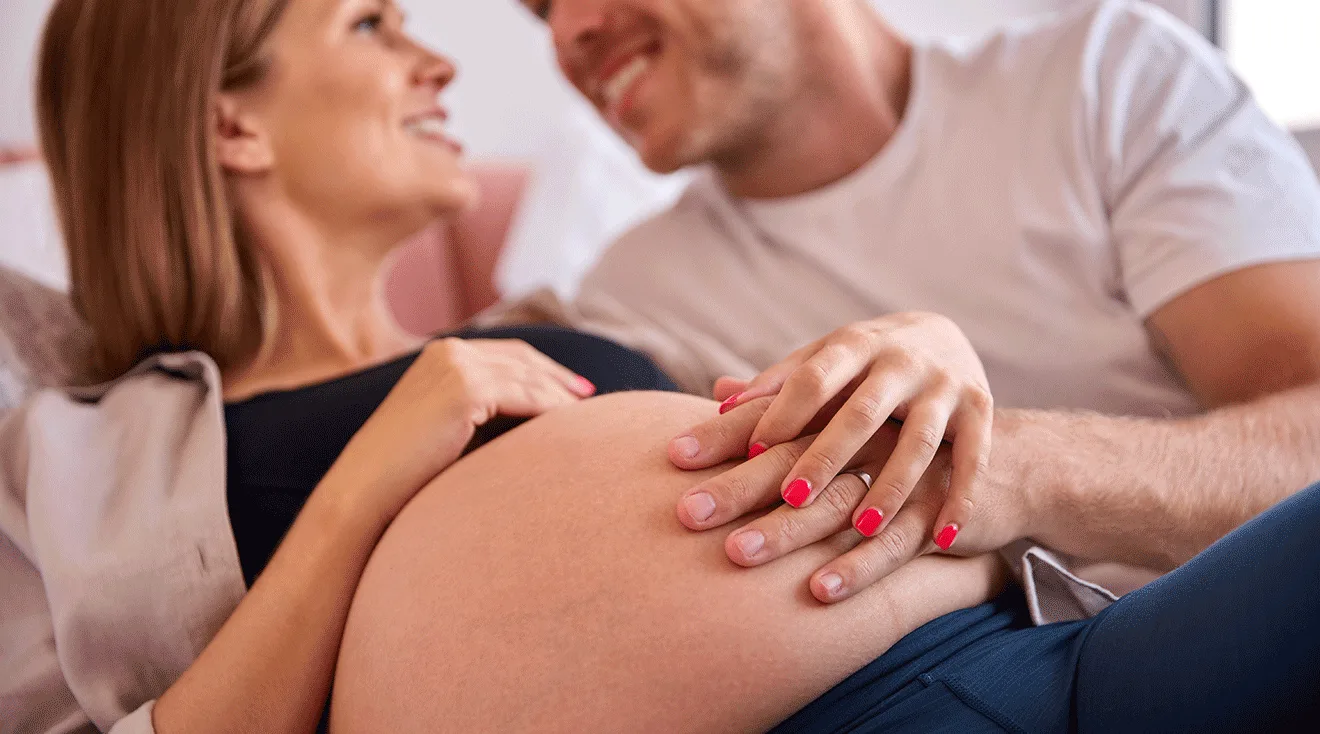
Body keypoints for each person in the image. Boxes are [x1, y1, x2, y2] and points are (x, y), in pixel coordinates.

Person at [1, 1, 1316, 733]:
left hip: (1005, 652)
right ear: (227, 118)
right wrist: (360, 486)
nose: (544, 42)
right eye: (371, 22)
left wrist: (962, 399)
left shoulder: (1102, 76)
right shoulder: (90, 438)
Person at [506, 0, 1320, 611]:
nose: (566, 31)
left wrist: (1012, 469)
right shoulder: (631, 289)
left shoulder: (1104, 76)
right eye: (540, 7)